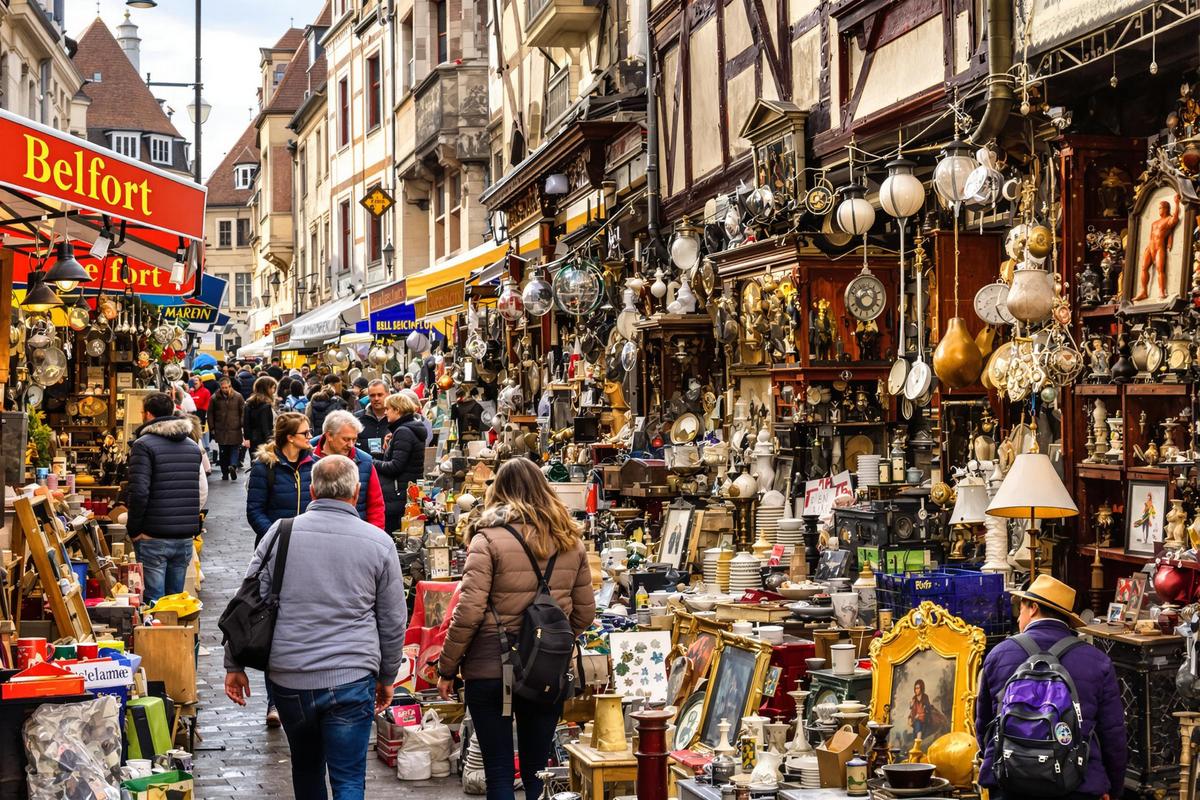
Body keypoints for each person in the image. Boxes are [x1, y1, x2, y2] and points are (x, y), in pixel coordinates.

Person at [225, 455, 407, 800]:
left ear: (311, 491)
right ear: (356, 493)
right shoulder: (378, 542)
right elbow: (393, 620)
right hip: (352, 676)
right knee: (349, 778)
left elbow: (245, 602)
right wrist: (387, 675)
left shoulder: (279, 533)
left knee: (307, 768)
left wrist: (234, 664)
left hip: (291, 675)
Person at [436, 457, 596, 800]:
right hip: (546, 671)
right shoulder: (571, 541)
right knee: (538, 771)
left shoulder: (487, 539)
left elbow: (468, 612)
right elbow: (585, 614)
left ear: (499, 492)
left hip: (490, 667)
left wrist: (447, 667)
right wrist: (549, 640)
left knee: (498, 771)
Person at [976, 575, 1126, 800]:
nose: (1018, 618)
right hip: (1078, 784)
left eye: (1021, 608)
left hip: (1010, 783)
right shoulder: (1097, 661)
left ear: (1033, 608)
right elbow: (1113, 736)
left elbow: (984, 725)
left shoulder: (999, 654)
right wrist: (1112, 788)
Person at [125, 392, 206, 605]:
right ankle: (180, 638)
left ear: (149, 414)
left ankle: (160, 639)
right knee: (175, 602)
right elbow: (198, 489)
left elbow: (139, 492)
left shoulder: (143, 445)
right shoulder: (191, 446)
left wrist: (134, 529)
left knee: (155, 604)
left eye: (142, 412)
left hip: (154, 534)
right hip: (183, 535)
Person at [311, 410, 386, 530]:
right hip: (315, 533)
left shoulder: (365, 462)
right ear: (329, 435)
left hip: (356, 534)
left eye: (354, 440)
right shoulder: (307, 460)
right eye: (346, 439)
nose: (351, 445)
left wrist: (374, 535)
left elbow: (376, 506)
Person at [370, 393, 427, 533]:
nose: (385, 412)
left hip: (398, 495)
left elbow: (395, 466)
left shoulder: (403, 432)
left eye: (388, 409)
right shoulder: (408, 429)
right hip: (404, 493)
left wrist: (371, 462)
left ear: (397, 410)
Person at [209, 377, 246, 481]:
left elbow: (243, 411)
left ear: (230, 386)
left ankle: (233, 466)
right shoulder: (214, 398)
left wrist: (242, 424)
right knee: (223, 452)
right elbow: (210, 413)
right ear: (220, 387)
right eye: (223, 387)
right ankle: (225, 472)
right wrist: (212, 427)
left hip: (235, 428)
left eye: (226, 387)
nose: (225, 389)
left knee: (235, 449)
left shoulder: (238, 397)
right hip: (221, 429)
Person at [243, 376, 278, 467]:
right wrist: (270, 440)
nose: (274, 391)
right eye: (273, 388)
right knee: (265, 464)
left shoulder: (249, 403)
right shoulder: (266, 405)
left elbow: (246, 422)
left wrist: (247, 438)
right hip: (264, 439)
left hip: (253, 438)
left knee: (255, 462)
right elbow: (266, 425)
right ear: (267, 388)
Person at [355, 380, 390, 453]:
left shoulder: (397, 419)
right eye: (372, 395)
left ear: (388, 395)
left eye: (380, 395)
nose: (376, 398)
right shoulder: (357, 418)